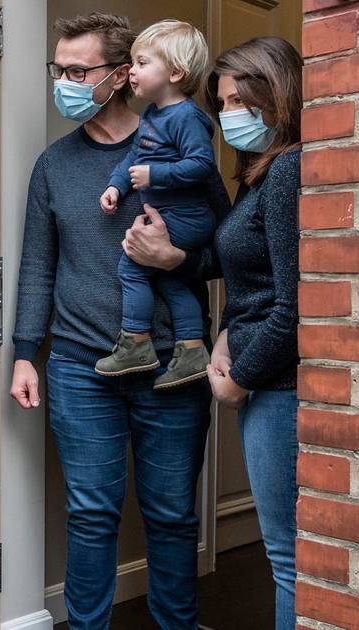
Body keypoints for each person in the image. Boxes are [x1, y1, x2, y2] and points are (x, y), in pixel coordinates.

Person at [11, 13, 229, 628]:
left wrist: (176, 259)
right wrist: (26, 352)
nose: (64, 82)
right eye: (58, 69)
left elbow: (231, 249)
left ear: (120, 74)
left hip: (173, 369)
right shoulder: (54, 165)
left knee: (172, 517)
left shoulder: (180, 145)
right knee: (90, 516)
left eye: (78, 71)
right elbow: (38, 266)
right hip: (81, 369)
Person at [123, 36, 303, 629]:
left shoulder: (288, 170)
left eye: (237, 101)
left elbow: (293, 305)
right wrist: (221, 332)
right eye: (221, 104)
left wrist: (237, 379)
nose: (226, 116)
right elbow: (248, 281)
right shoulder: (257, 173)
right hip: (256, 375)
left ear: (276, 95)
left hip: (275, 385)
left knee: (287, 557)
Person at [95, 20, 215, 389]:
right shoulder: (151, 114)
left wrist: (155, 175)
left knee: (132, 268)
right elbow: (134, 157)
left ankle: (136, 342)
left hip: (187, 217)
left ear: (175, 73)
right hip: (170, 215)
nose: (131, 71)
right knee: (168, 278)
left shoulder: (187, 117)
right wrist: (116, 186)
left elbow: (202, 164)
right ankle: (192, 350)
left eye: (142, 63)